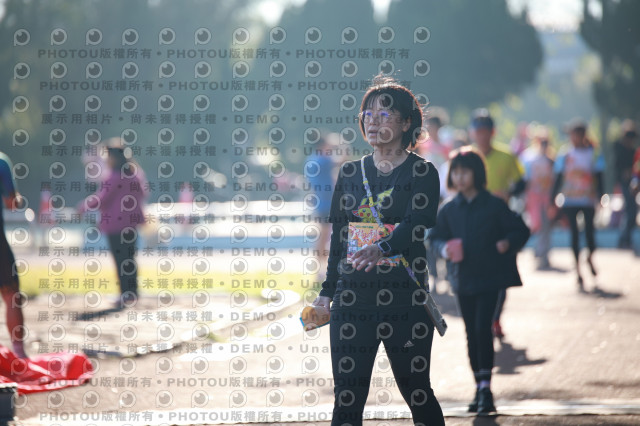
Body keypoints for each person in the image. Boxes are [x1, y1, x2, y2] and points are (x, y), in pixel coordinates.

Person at [312, 75, 444, 425]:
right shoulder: (350, 172)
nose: (373, 121)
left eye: (384, 115)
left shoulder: (423, 172)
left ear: (406, 122)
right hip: (353, 301)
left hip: (405, 300)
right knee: (347, 398)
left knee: (417, 391)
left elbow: (418, 222)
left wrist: (382, 247)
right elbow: (340, 237)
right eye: (367, 114)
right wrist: (327, 292)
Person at [429, 147, 530, 416]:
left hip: (490, 278)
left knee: (482, 328)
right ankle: (478, 386)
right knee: (470, 333)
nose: (460, 177)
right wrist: (444, 249)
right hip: (462, 279)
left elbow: (520, 230)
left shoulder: (494, 204)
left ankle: (486, 389)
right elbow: (434, 238)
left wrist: (506, 243)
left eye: (465, 172)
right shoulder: (449, 209)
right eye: (456, 172)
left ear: (477, 173)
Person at [470, 108, 525, 338]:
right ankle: (480, 318)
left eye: (486, 131)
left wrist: (508, 193)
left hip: (500, 221)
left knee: (501, 273)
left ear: (493, 132)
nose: (482, 136)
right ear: (472, 133)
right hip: (473, 222)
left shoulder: (506, 155)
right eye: (478, 131)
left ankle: (495, 318)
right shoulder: (467, 157)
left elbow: (521, 182)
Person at [77, 138, 148, 309]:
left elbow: (101, 198)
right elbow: (143, 194)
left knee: (120, 259)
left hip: (115, 225)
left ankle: (125, 294)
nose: (106, 160)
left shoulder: (114, 177)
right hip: (131, 224)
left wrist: (82, 207)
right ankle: (132, 293)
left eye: (107, 157)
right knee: (129, 259)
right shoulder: (135, 174)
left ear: (114, 158)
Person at [551, 118, 605, 291]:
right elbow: (558, 178)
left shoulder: (593, 153)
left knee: (589, 232)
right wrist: (552, 198)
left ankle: (590, 255)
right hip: (570, 199)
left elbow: (599, 176)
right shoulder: (565, 154)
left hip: (588, 199)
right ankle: (578, 269)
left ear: (582, 135)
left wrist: (601, 196)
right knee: (574, 234)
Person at [0, 151, 29, 358]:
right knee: (11, 293)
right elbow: (11, 203)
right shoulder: (1, 162)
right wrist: (17, 198)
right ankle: (19, 354)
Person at [522, 126, 556, 269]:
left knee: (546, 226)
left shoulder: (551, 159)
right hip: (533, 198)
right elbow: (525, 178)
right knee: (536, 225)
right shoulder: (529, 157)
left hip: (547, 198)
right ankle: (538, 250)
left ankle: (544, 253)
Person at [613, 119, 638, 249]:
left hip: (633, 183)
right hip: (624, 183)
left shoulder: (633, 151)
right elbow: (617, 167)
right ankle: (624, 239)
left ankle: (626, 238)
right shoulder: (619, 148)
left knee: (632, 210)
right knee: (629, 209)